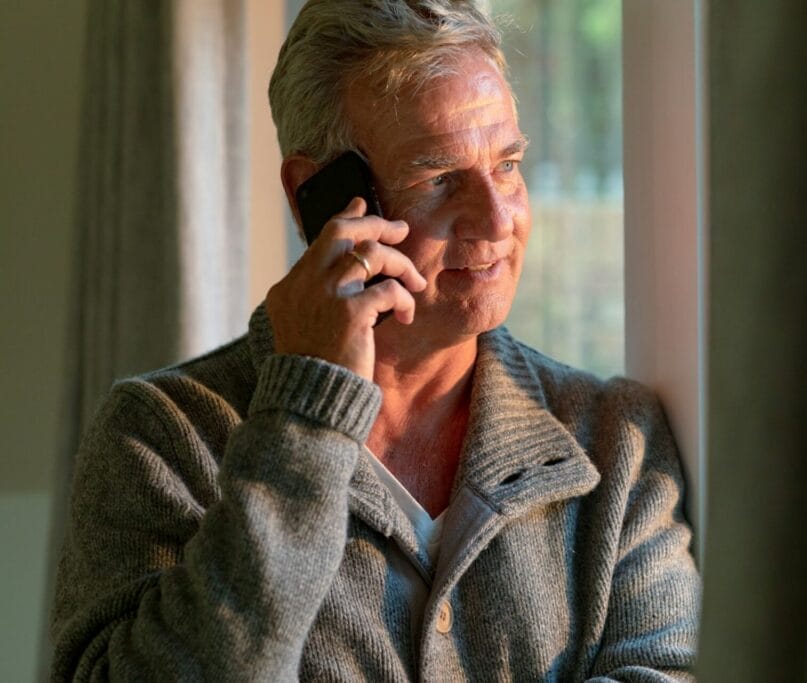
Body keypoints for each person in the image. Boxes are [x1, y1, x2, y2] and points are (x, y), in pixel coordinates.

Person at [51, 1, 700, 680]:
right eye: (441, 178)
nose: (497, 219)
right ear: (320, 196)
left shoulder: (617, 442)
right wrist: (304, 417)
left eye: (507, 164)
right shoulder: (161, 437)